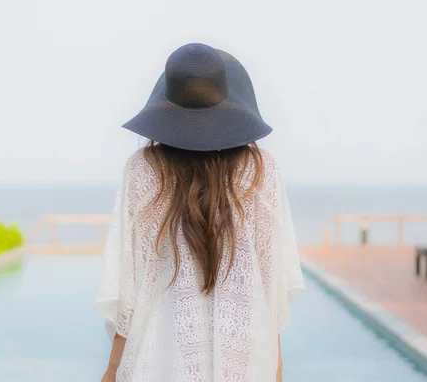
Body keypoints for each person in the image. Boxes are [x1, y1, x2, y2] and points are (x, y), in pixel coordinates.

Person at [95, 43, 304, 382]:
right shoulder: (260, 170)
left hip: (157, 361)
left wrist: (113, 369)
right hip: (243, 364)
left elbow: (129, 288)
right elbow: (269, 284)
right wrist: (275, 367)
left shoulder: (142, 170)